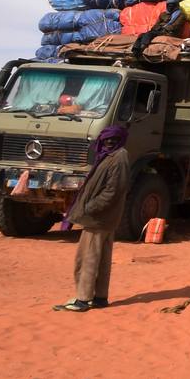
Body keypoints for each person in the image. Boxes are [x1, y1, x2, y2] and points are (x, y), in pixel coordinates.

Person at [56, 125, 130, 312]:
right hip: (103, 218)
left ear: (119, 140)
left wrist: (89, 208)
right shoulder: (110, 156)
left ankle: (83, 299)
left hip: (98, 218)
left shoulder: (118, 157)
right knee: (101, 259)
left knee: (86, 259)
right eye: (106, 140)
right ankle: (99, 297)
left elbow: (112, 191)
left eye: (112, 140)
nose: (109, 142)